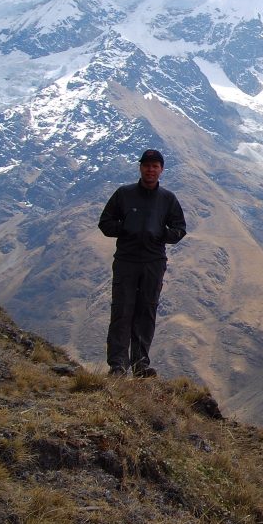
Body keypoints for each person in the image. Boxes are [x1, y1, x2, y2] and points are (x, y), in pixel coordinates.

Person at [97, 149, 187, 377]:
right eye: (147, 165)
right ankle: (118, 365)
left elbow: (179, 230)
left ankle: (140, 365)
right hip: (126, 261)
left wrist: (159, 234)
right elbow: (105, 223)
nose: (150, 169)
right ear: (140, 168)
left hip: (153, 262)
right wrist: (126, 229)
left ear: (161, 170)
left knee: (146, 312)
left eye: (155, 166)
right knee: (122, 311)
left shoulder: (168, 199)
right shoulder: (124, 194)